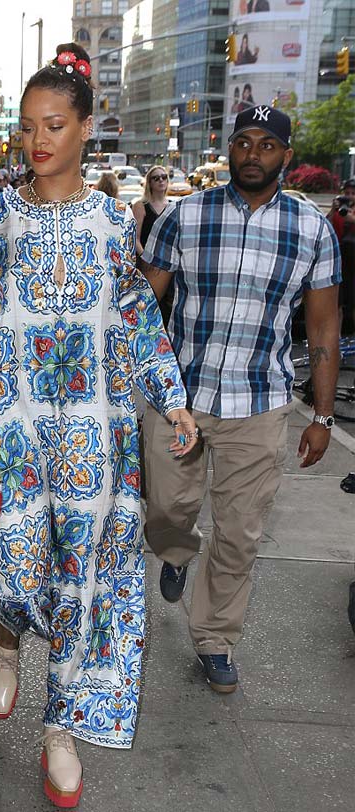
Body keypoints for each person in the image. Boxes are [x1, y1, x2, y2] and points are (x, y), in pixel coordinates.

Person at [0, 41, 197, 808]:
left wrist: (169, 394)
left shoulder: (112, 222)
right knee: (9, 562)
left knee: (82, 579)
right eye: (29, 126)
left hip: (92, 438)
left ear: (85, 129)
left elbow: (135, 314)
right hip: (9, 429)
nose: (38, 139)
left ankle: (59, 728)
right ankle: (5, 635)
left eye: (55, 124)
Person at [139, 106, 341, 695]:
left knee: (239, 533)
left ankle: (215, 638)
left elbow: (323, 326)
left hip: (260, 402)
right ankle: (176, 552)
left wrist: (323, 415)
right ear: (229, 149)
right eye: (244, 142)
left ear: (286, 155)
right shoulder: (183, 215)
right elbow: (143, 304)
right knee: (166, 510)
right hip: (180, 397)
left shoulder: (313, 230)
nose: (253, 154)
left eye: (267, 144)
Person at [327, 178, 355, 334]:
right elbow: (325, 225)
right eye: (347, 193)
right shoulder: (339, 212)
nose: (349, 196)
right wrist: (333, 210)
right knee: (337, 302)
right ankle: (336, 337)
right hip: (340, 260)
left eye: (353, 193)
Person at [132, 166, 170, 258]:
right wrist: (145, 258)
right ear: (149, 183)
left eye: (164, 177)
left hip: (167, 259)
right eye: (156, 178)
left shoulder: (173, 206)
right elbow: (134, 238)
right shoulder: (140, 205)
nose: (161, 180)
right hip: (145, 259)